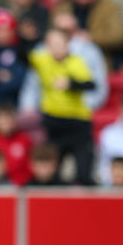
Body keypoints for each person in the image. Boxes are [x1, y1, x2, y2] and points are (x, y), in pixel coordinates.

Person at [30, 28, 96, 185]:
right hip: (54, 122)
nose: (55, 48)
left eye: (59, 43)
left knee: (83, 171)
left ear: (67, 44)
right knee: (52, 172)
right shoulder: (42, 59)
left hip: (77, 121)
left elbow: (90, 84)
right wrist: (29, 37)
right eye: (51, 44)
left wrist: (70, 83)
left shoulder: (76, 62)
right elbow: (22, 54)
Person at [53, 0, 123, 68]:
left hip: (97, 62)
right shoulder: (64, 6)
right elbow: (50, 34)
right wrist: (61, 28)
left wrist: (91, 37)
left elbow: (119, 36)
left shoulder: (110, 6)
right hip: (63, 60)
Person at [0, 104, 34, 185]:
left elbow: (32, 164)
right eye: (2, 121)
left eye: (8, 120)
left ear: (14, 121)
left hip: (24, 185)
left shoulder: (25, 140)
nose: (5, 124)